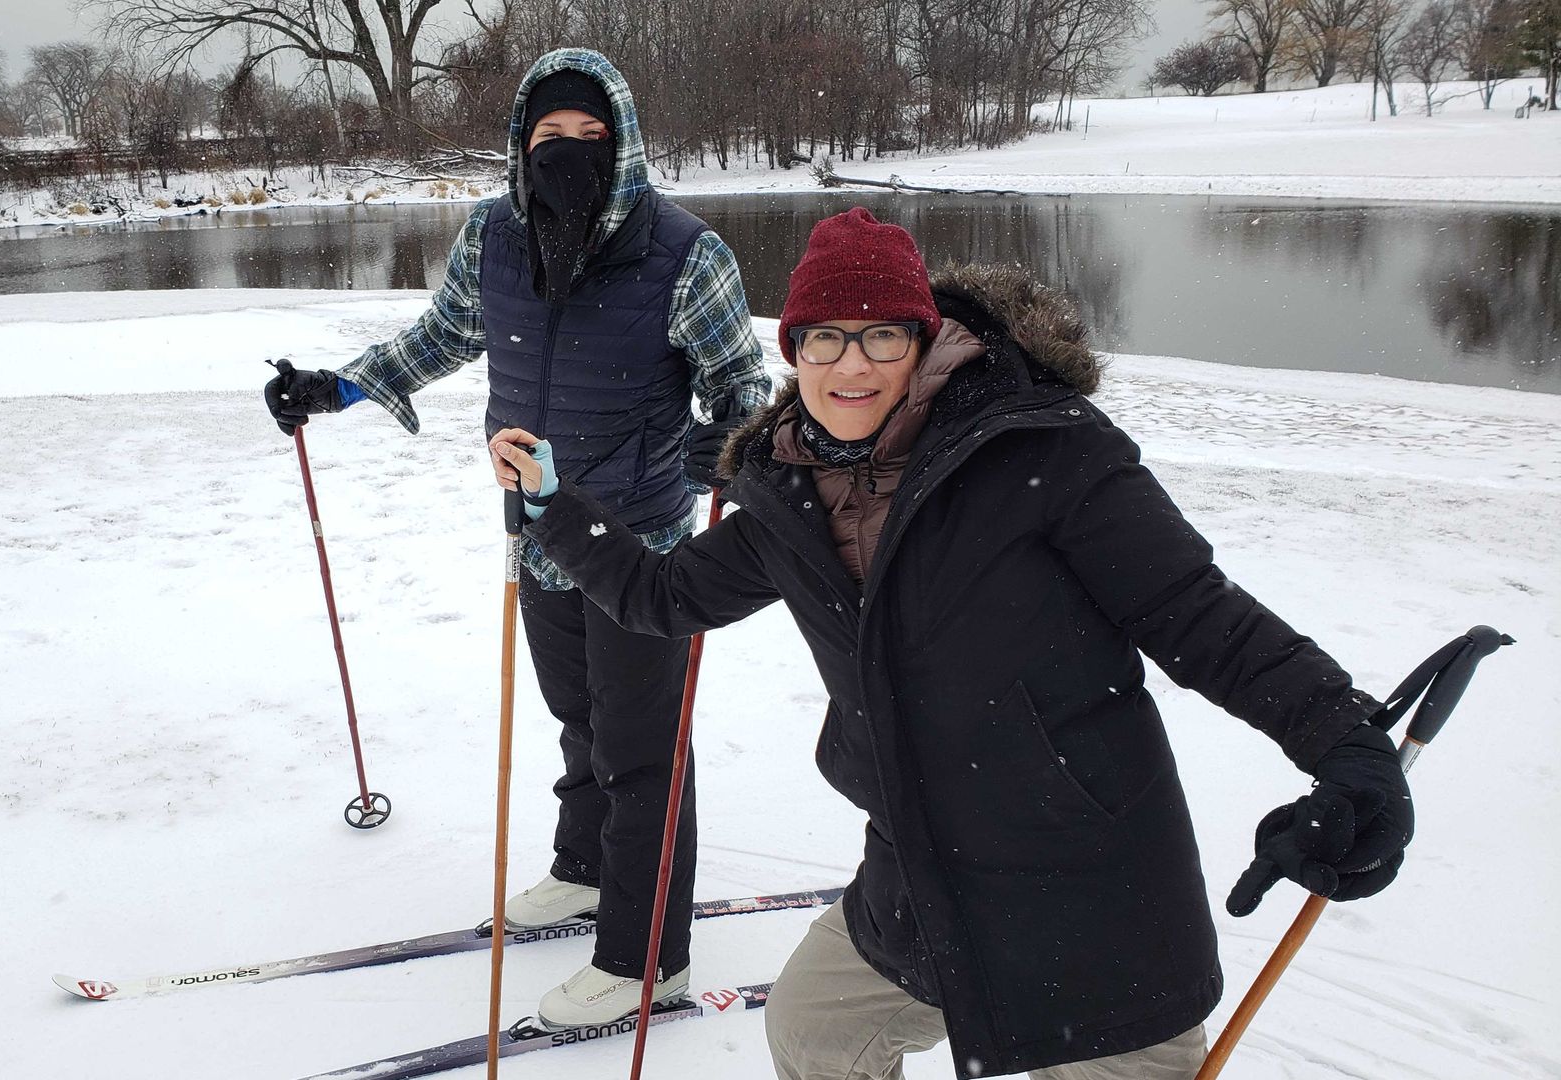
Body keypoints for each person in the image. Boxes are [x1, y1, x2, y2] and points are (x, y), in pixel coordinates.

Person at [487, 207, 1412, 1078]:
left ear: (924, 341)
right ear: (794, 352)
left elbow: (1200, 616)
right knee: (815, 1027)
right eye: (824, 338)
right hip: (919, 872)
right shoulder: (785, 498)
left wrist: (1347, 742)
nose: (853, 364)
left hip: (1090, 882)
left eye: (881, 334)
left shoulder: (1043, 450)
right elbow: (662, 595)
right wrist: (553, 507)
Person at [262, 49, 771, 1028]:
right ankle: (585, 869)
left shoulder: (684, 251)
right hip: (539, 532)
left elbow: (739, 380)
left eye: (590, 138)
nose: (569, 155)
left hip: (642, 547)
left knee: (643, 750)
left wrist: (732, 434)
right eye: (550, 139)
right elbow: (445, 334)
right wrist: (339, 388)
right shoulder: (495, 235)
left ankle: (646, 954)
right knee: (577, 714)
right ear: (520, 148)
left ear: (620, 144)